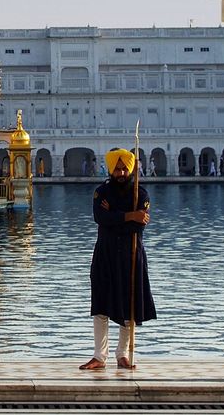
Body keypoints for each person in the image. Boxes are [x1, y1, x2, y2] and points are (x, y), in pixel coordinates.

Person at [79, 148, 156, 371]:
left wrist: (117, 215)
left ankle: (123, 354)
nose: (121, 173)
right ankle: (99, 356)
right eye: (117, 169)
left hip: (131, 255)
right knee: (100, 305)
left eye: (124, 169)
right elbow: (99, 217)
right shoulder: (101, 191)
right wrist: (129, 214)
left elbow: (139, 224)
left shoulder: (139, 194)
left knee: (129, 305)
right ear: (111, 169)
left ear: (130, 169)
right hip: (105, 253)